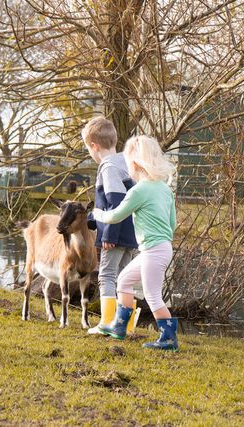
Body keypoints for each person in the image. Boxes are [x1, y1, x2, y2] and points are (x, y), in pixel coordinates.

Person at [92, 135, 178, 351]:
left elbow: (115, 216)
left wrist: (97, 214)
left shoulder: (139, 191)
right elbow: (173, 223)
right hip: (161, 247)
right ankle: (119, 327)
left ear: (136, 164)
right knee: (124, 280)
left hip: (153, 250)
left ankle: (168, 339)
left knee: (153, 296)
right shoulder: (164, 189)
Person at [82, 117, 139, 335]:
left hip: (115, 233)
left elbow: (116, 201)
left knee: (106, 276)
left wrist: (108, 235)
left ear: (94, 145)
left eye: (88, 148)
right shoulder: (127, 162)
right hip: (132, 232)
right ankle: (126, 325)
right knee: (125, 278)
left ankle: (107, 323)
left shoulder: (108, 166)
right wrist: (94, 220)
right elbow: (125, 202)